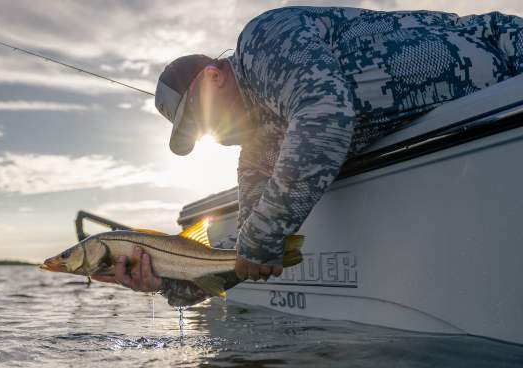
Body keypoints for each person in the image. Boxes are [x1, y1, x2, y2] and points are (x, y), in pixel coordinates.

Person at [94, 6, 523, 304]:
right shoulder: (257, 152)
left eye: (197, 118)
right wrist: (165, 280)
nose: (206, 133)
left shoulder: (261, 40)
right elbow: (242, 256)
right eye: (193, 130)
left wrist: (262, 241)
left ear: (215, 76)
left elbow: (327, 114)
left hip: (504, 50)